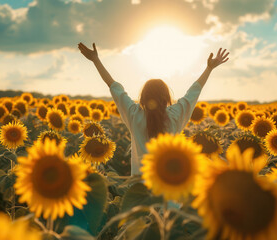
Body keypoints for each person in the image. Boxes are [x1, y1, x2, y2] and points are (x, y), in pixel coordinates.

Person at [78, 42, 229, 175]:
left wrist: (95, 60)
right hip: (169, 193)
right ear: (167, 97)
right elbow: (194, 92)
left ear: (143, 97)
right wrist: (209, 68)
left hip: (140, 192)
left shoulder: (134, 114)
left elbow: (113, 86)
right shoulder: (175, 115)